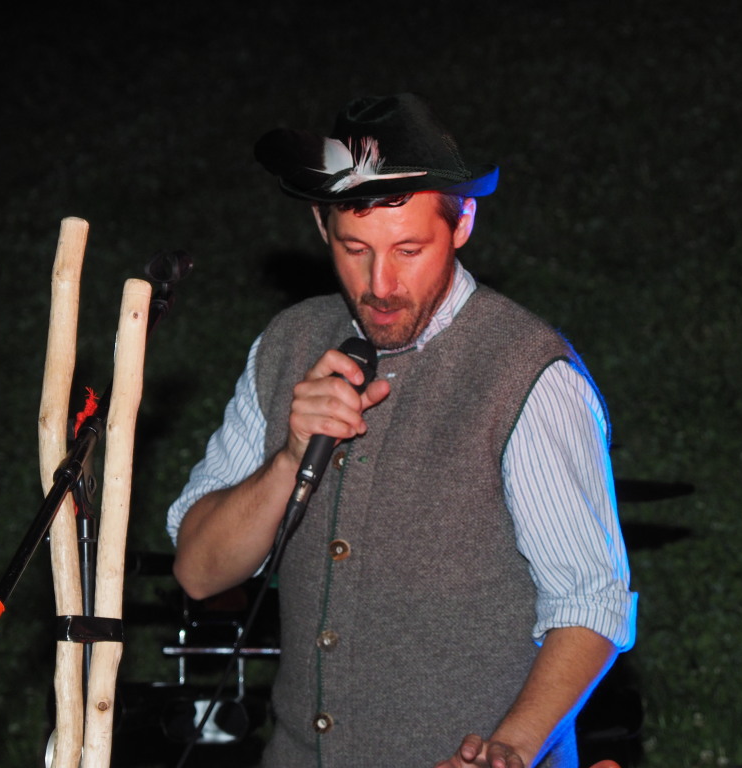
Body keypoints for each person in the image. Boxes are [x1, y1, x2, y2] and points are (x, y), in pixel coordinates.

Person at [167, 93, 637, 768]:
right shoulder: (286, 345)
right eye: (354, 248)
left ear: (463, 222)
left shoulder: (527, 373)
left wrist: (511, 747)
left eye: (409, 249)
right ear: (320, 224)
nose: (380, 283)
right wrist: (288, 458)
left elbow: (592, 603)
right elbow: (198, 572)